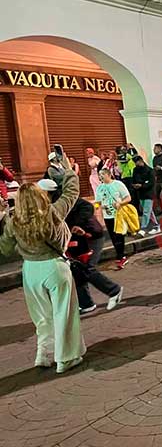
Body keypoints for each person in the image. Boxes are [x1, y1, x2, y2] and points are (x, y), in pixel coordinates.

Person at [0, 148, 85, 373]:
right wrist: (66, 169)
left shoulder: (13, 222)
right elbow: (71, 191)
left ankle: (43, 354)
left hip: (30, 270)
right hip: (54, 267)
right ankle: (65, 358)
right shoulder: (53, 213)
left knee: (42, 317)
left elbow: (5, 249)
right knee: (63, 313)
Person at [36, 179, 124, 314]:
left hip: (90, 235)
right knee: (76, 270)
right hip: (74, 239)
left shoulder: (65, 199)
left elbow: (88, 207)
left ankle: (114, 290)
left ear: (47, 192)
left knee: (86, 268)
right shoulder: (48, 204)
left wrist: (78, 224)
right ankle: (86, 303)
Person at [95, 168, 131, 270]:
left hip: (118, 214)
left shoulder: (118, 184)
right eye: (99, 175)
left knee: (118, 235)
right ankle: (119, 254)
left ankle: (121, 256)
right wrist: (99, 207)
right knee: (112, 236)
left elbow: (128, 198)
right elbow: (97, 202)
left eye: (102, 175)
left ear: (109, 174)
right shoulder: (99, 188)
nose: (100, 177)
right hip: (107, 215)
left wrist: (120, 203)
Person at [132, 156, 161, 236]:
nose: (136, 164)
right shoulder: (135, 170)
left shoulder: (150, 170)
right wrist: (135, 185)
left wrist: (142, 185)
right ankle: (156, 226)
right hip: (140, 193)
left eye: (137, 162)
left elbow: (151, 183)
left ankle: (143, 228)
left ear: (141, 161)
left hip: (149, 193)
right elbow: (134, 179)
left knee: (146, 211)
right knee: (149, 211)